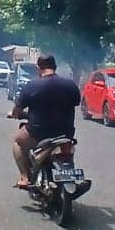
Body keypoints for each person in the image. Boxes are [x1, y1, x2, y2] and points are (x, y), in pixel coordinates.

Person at [6, 53, 81, 189]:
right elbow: (76, 102)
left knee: (18, 143)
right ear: (55, 67)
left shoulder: (32, 85)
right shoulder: (70, 84)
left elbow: (17, 110)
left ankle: (24, 177)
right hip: (65, 132)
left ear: (38, 68)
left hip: (38, 133)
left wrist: (13, 114)